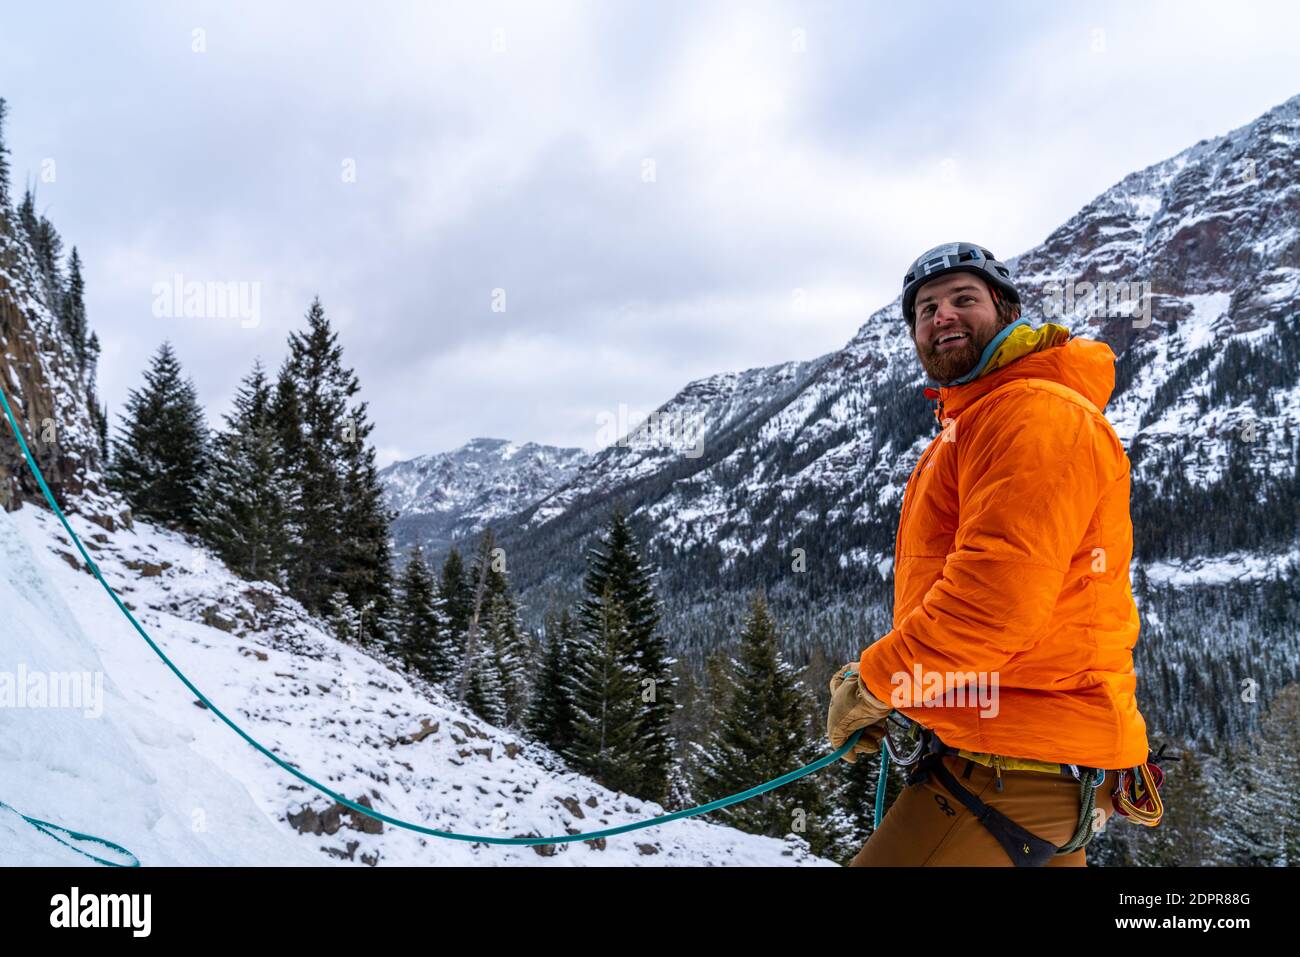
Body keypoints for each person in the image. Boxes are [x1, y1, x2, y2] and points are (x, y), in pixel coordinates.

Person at [827, 242, 1150, 866]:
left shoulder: (1033, 413)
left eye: (963, 299)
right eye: (925, 309)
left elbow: (989, 610)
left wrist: (874, 685)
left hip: (1008, 768)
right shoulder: (982, 417)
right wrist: (905, 693)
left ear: (1005, 310)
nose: (941, 316)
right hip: (1038, 764)